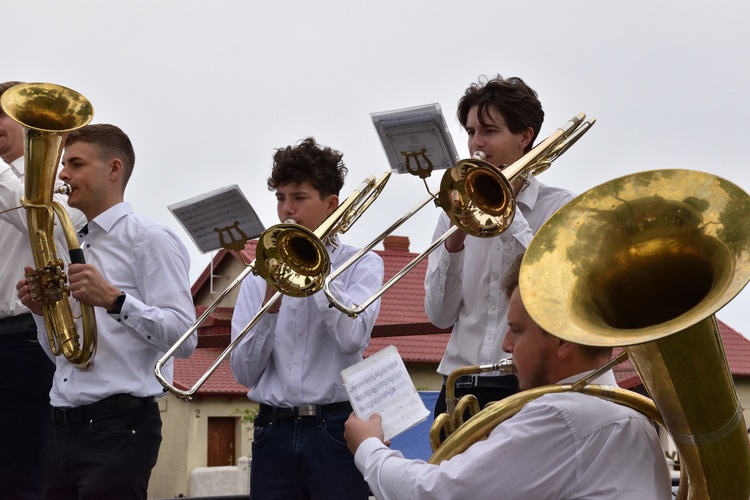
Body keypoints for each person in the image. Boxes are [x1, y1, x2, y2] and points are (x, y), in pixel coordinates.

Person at [345, 253, 672, 500]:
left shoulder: (560, 415)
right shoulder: (636, 420)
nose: (506, 344)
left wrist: (369, 448)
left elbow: (438, 492)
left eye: (517, 330)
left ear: (562, 341)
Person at [16, 123, 197, 500]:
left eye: (76, 164)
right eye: (64, 164)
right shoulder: (68, 243)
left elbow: (184, 338)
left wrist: (116, 301)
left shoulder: (149, 238)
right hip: (62, 424)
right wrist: (39, 312)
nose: (63, 174)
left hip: (119, 426)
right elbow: (65, 356)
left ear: (114, 169)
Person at [229, 137, 384, 500]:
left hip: (334, 428)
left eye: (299, 198)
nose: (287, 210)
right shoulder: (258, 273)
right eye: (281, 198)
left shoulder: (363, 263)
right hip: (272, 428)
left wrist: (313, 274)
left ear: (331, 205)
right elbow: (243, 372)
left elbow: (351, 339)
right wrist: (271, 301)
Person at [425, 75, 575, 417]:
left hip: (527, 386)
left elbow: (556, 291)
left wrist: (509, 214)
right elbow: (439, 315)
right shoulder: (456, 206)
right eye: (470, 131)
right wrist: (455, 241)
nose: (476, 144)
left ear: (525, 136)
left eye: (489, 131)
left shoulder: (558, 207)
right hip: (459, 384)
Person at [0, 80, 87, 500]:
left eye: (2, 114)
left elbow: (51, 226)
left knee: (24, 471)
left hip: (25, 338)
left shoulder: (56, 179)